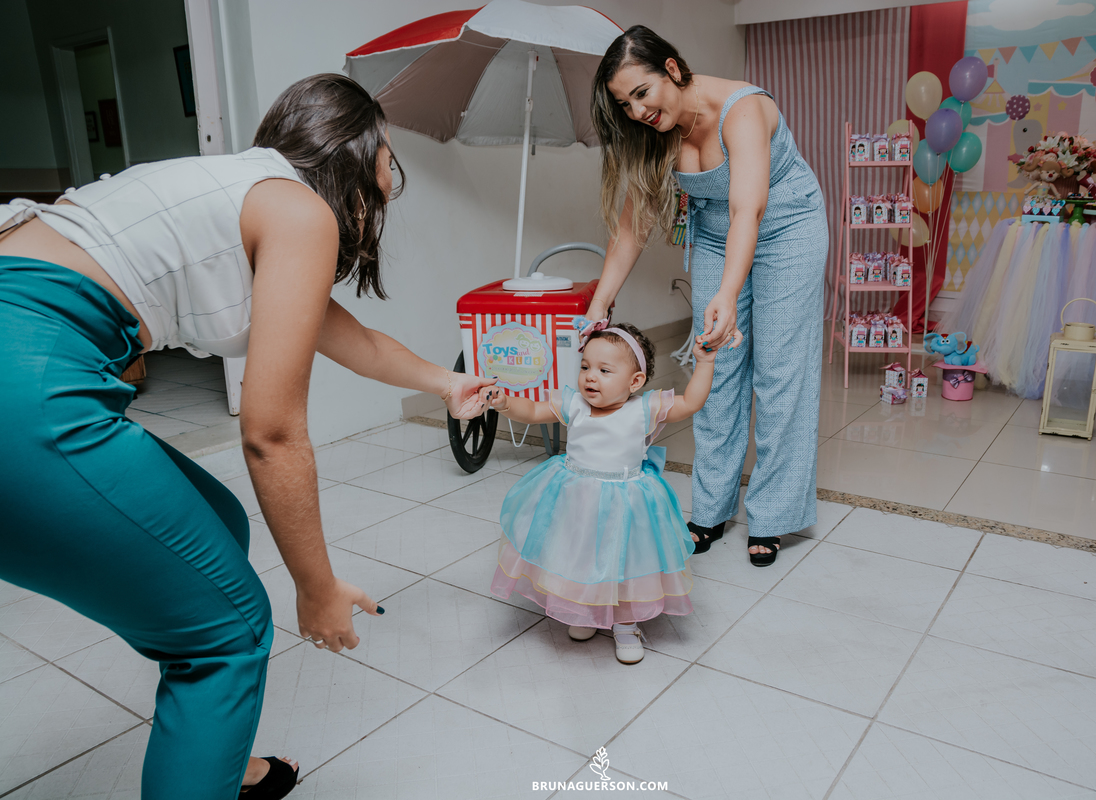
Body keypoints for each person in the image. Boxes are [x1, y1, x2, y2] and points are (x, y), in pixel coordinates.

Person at [0, 74, 493, 800]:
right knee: (227, 634)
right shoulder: (299, 213)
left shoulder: (247, 191)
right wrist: (317, 587)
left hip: (23, 354)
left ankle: (218, 763)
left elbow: (349, 337)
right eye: (390, 158)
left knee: (220, 522)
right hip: (26, 378)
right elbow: (272, 434)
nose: (393, 179)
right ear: (358, 152)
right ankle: (209, 749)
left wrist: (446, 384)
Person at [585, 26, 828, 567]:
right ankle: (711, 508)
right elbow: (632, 228)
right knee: (714, 367)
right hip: (718, 233)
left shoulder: (743, 110)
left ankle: (772, 515)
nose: (637, 111)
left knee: (780, 372)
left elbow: (750, 210)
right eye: (625, 104)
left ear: (672, 68)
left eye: (642, 92)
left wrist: (726, 292)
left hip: (787, 227)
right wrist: (602, 300)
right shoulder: (656, 134)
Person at [488, 322, 713, 664]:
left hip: (627, 504)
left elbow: (692, 402)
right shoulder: (575, 403)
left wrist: (705, 362)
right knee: (578, 556)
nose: (590, 377)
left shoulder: (644, 409)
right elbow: (533, 411)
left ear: (634, 382)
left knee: (623, 562)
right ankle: (586, 612)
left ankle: (625, 623)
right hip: (576, 499)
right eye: (585, 367)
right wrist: (505, 404)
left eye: (604, 370)